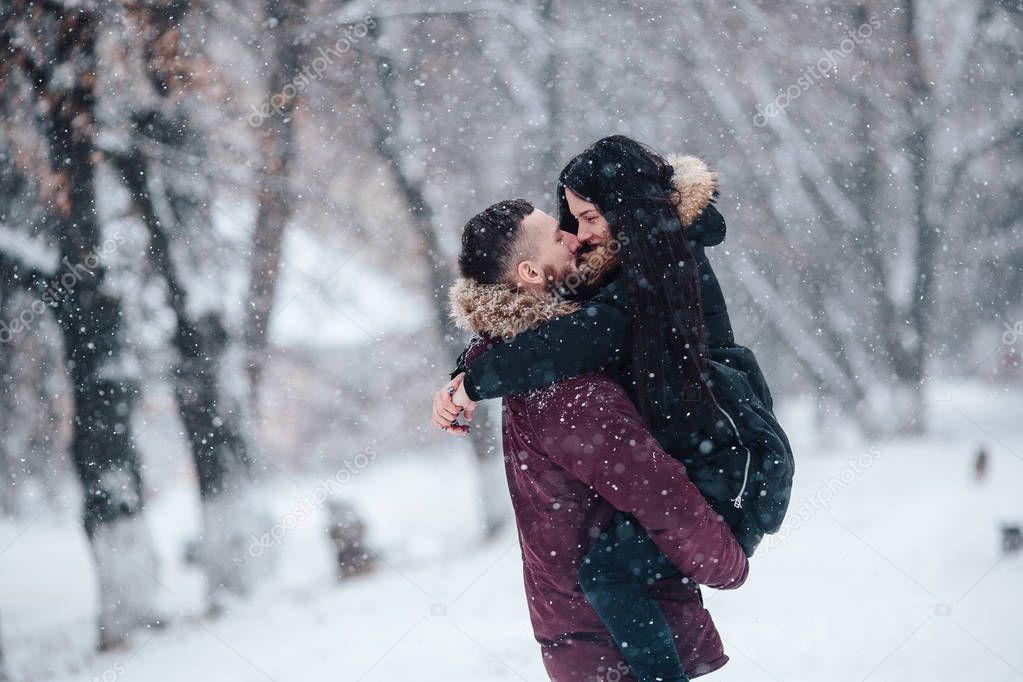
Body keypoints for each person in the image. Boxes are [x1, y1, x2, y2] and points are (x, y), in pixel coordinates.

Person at [436, 137, 793, 681]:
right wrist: (467, 369)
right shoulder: (628, 261)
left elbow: (576, 334)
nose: (580, 235)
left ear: (624, 208)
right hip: (699, 463)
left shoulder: (654, 272)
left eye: (586, 217)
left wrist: (473, 382)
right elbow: (542, 324)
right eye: (570, 222)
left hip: (723, 459)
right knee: (607, 574)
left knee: (606, 575)